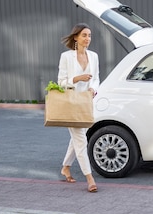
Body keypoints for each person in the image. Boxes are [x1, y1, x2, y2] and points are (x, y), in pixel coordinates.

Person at [57, 23, 100, 192]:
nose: (87, 38)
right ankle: (90, 179)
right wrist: (77, 79)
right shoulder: (66, 57)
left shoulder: (94, 56)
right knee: (81, 139)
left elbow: (96, 78)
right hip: (70, 103)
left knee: (77, 138)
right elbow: (60, 82)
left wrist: (92, 89)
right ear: (76, 37)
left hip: (86, 103)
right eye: (84, 35)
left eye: (89, 35)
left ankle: (65, 167)